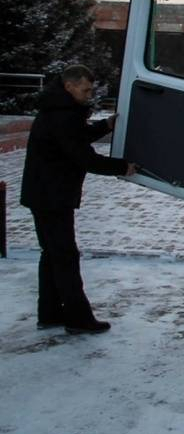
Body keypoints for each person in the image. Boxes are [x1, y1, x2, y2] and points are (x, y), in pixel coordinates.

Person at [20, 64, 137, 334]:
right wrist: (123, 167)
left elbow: (76, 137)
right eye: (85, 90)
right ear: (69, 86)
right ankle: (78, 319)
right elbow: (84, 157)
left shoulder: (58, 109)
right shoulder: (63, 115)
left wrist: (104, 126)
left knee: (52, 254)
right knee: (65, 256)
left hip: (43, 193)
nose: (89, 95)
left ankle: (50, 313)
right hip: (52, 196)